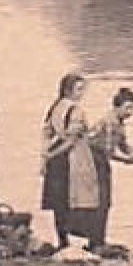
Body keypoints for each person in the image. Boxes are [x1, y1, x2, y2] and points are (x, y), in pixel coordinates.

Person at [40, 73, 103, 253]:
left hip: (56, 158)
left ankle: (63, 240)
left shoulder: (55, 108)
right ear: (69, 90)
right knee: (80, 197)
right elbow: (72, 140)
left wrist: (46, 154)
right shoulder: (76, 110)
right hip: (72, 158)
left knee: (58, 201)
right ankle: (89, 239)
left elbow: (47, 134)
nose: (82, 93)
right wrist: (52, 154)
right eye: (79, 89)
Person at [87, 87, 133, 255]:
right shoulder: (110, 121)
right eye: (128, 108)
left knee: (105, 202)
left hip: (100, 160)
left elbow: (123, 145)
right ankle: (96, 243)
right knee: (101, 202)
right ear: (117, 106)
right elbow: (110, 151)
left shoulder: (119, 122)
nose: (131, 112)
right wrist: (129, 161)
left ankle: (98, 240)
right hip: (92, 161)